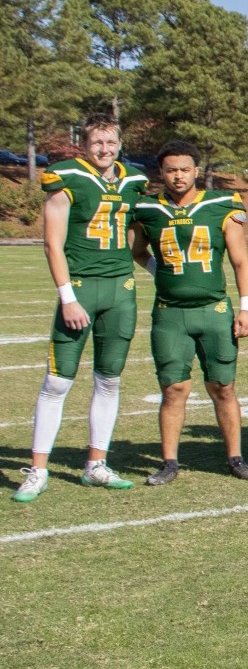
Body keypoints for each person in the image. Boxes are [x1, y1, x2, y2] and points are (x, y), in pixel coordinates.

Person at [15, 117, 150, 502]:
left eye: (110, 142)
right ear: (84, 145)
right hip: (80, 289)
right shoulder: (66, 177)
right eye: (96, 142)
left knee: (109, 379)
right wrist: (67, 296)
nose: (104, 149)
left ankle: (96, 465)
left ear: (120, 144)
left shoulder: (133, 181)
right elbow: (52, 245)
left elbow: (139, 236)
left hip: (120, 290)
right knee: (58, 381)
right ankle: (37, 470)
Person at [126, 140, 248, 487]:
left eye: (184, 169)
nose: (178, 176)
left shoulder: (220, 204)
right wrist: (161, 272)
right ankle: (169, 461)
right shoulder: (147, 209)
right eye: (171, 170)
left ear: (196, 171)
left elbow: (241, 260)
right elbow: (137, 251)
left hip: (213, 310)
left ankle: (235, 457)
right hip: (170, 314)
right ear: (161, 173)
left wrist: (246, 308)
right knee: (173, 389)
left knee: (223, 387)